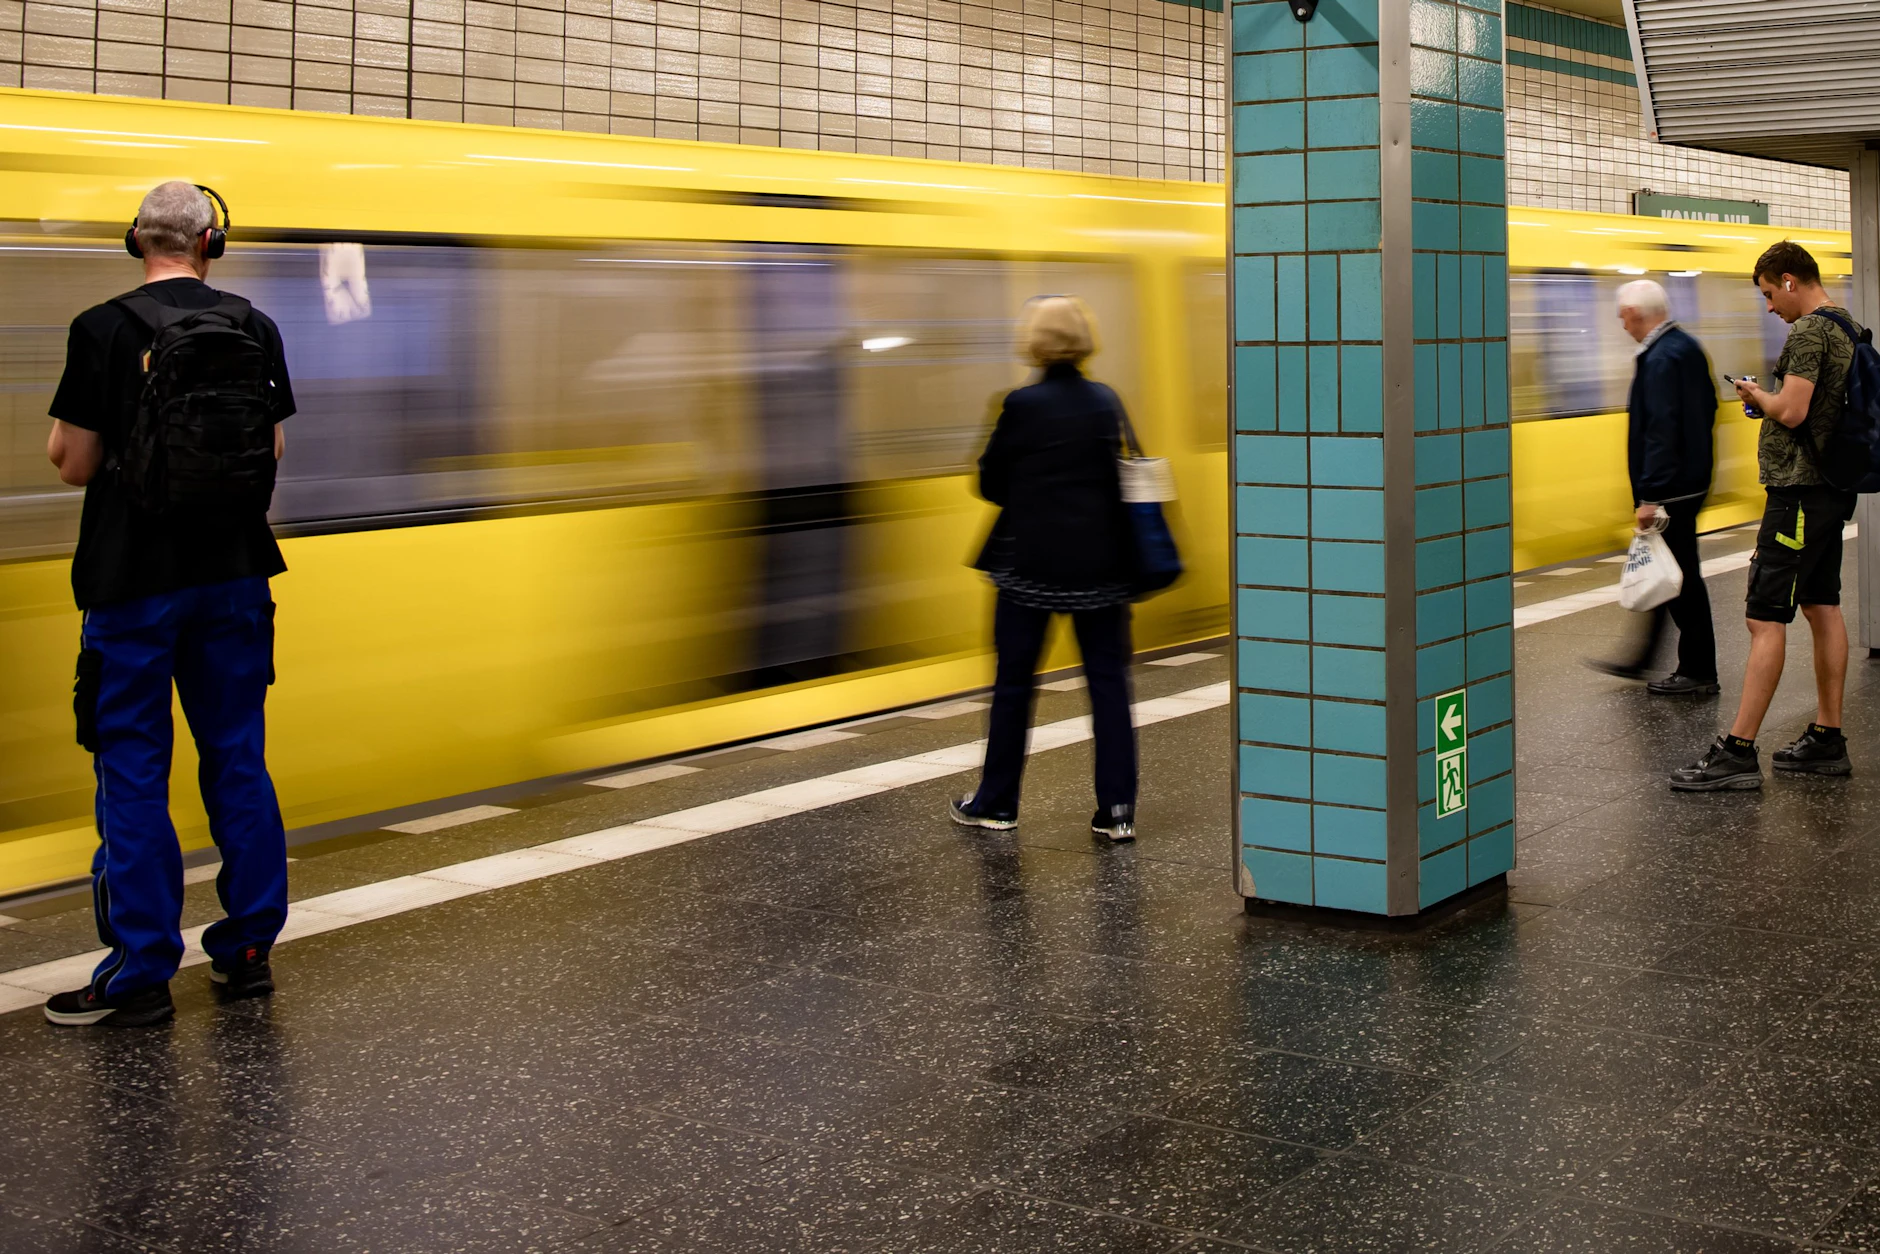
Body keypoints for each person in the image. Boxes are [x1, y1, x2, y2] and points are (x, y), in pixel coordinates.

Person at [42, 181, 296, 1025]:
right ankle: (248, 952)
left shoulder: (101, 328)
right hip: (235, 578)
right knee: (237, 758)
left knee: (132, 768)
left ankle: (141, 973)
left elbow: (75, 463)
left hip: (132, 585)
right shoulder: (254, 326)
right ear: (210, 244)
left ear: (136, 241)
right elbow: (272, 448)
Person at [950, 296, 1141, 842]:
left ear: (1034, 341)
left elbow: (989, 482)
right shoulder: (1105, 401)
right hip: (1102, 569)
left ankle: (997, 803)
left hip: (1028, 568)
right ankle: (1117, 810)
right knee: (1108, 685)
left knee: (1014, 687)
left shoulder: (1021, 404)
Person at [1672, 241, 1858, 791]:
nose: (1770, 306)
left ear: (1790, 280)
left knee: (1764, 616)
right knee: (1822, 605)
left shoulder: (1809, 332)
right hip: (1829, 490)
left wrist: (1758, 394)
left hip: (1797, 494)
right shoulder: (1847, 326)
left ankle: (1737, 750)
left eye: (1770, 294)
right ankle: (1827, 737)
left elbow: (1794, 410)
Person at [1588, 279, 1719, 694]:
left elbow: (1660, 431)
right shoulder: (1686, 346)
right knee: (1670, 569)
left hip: (1671, 489)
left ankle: (1699, 671)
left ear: (1636, 314)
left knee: (1682, 580)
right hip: (1689, 480)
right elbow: (1708, 408)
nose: (1622, 324)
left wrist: (1650, 496)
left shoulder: (1661, 357)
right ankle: (1644, 657)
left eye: (1623, 317)